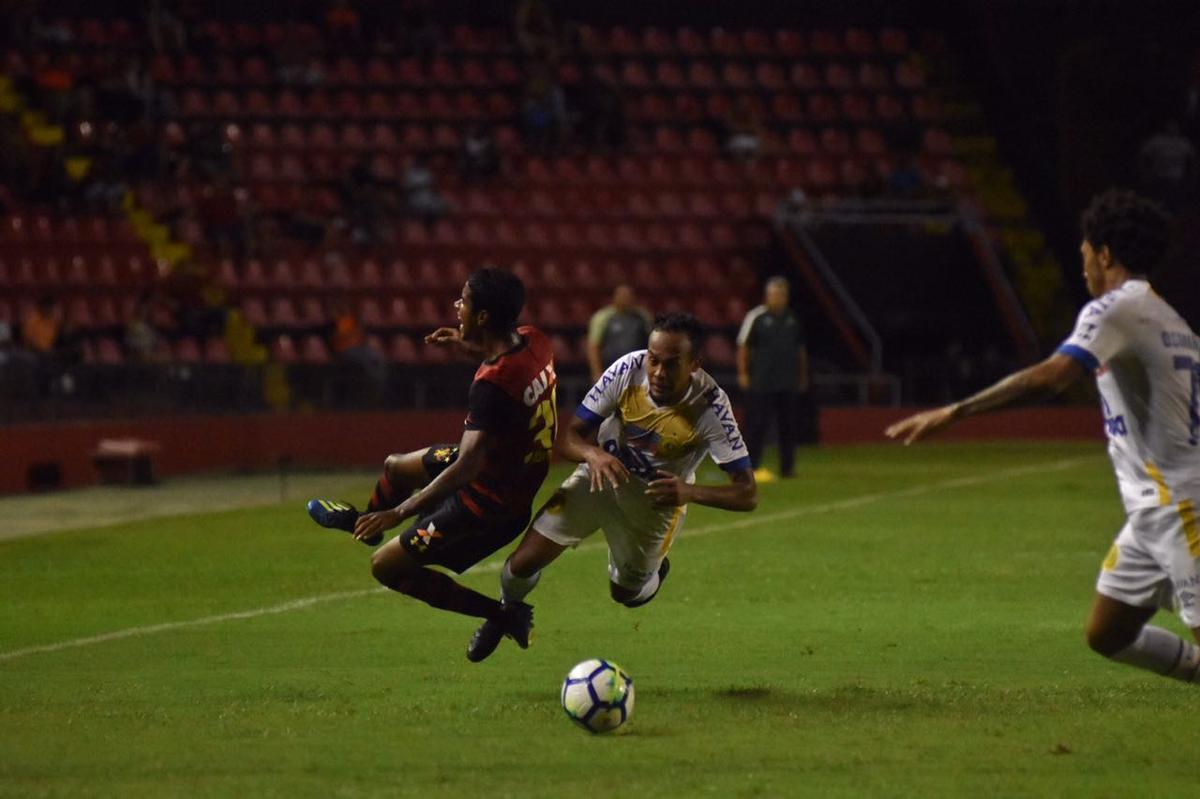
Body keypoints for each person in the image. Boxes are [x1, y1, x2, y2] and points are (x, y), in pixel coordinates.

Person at [885, 189, 1200, 685]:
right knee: (1107, 632)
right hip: (1152, 511)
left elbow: (1052, 377)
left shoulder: (1114, 309)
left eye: (1084, 257)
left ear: (1104, 254)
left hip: (1182, 504)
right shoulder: (1169, 318)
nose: (1083, 270)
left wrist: (956, 411)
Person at [467, 312, 757, 661]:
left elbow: (747, 493)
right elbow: (570, 438)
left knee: (626, 594)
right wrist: (593, 455)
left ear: (695, 364)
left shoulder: (711, 407)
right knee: (521, 563)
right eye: (653, 360)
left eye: (671, 364)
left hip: (654, 504)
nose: (658, 373)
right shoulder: (627, 369)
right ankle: (504, 614)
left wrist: (689, 492)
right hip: (598, 480)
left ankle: (655, 573)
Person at [306, 268, 557, 659]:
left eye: (464, 301)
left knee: (385, 567)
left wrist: (400, 512)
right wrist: (464, 344)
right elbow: (510, 364)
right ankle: (365, 525)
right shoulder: (535, 340)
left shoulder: (491, 386)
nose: (457, 307)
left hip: (486, 505)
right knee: (395, 467)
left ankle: (504, 615)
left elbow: (467, 467)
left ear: (484, 317)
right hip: (506, 469)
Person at [736, 276, 809, 482]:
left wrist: (802, 375)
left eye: (781, 294)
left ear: (786, 297)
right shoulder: (756, 317)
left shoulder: (792, 319)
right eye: (774, 294)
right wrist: (743, 373)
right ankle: (751, 467)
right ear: (767, 296)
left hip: (786, 381)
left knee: (788, 427)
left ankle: (788, 468)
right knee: (756, 425)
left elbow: (800, 350)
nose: (777, 298)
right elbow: (743, 346)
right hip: (761, 381)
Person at [586, 283, 653, 382]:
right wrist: (597, 373)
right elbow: (593, 346)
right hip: (610, 371)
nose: (625, 299)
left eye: (628, 296)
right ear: (615, 297)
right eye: (622, 296)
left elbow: (652, 344)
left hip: (637, 371)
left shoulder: (643, 317)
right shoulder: (603, 317)